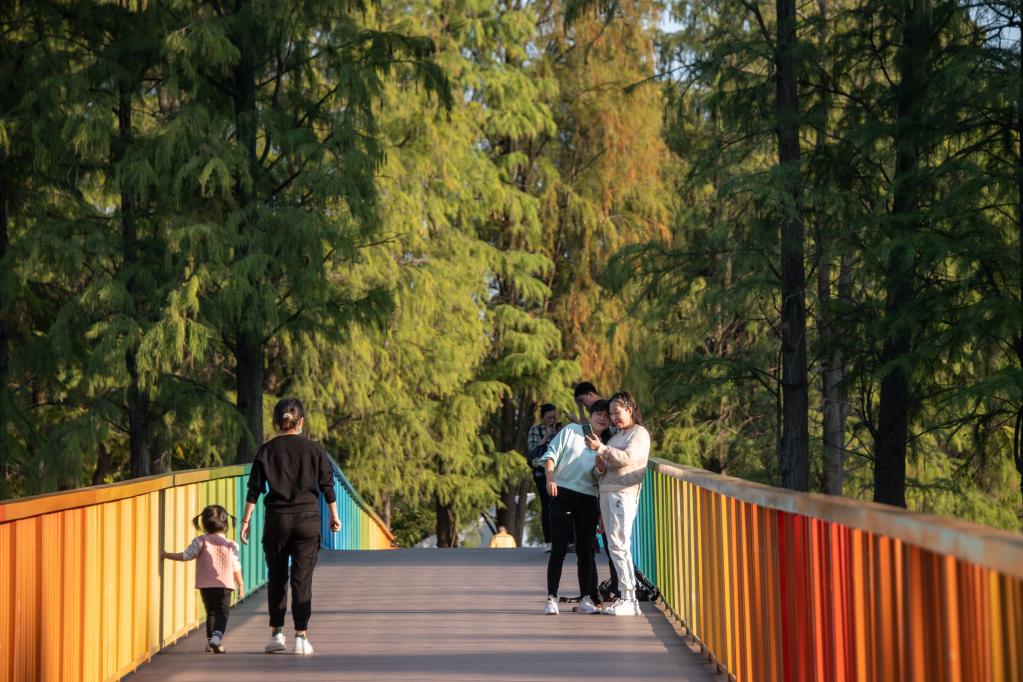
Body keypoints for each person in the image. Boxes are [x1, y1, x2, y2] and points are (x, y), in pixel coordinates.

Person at [241, 397, 343, 655]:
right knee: (302, 579)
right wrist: (334, 515)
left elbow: (254, 489)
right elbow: (327, 485)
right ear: (301, 422)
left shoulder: (266, 450)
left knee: (277, 578)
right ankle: (301, 636)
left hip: (277, 521)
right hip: (307, 520)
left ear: (277, 422)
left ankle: (277, 634)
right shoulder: (315, 450)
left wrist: (245, 521)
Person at [536, 399, 612, 616]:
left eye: (606, 416)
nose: (602, 418)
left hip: (588, 498)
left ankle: (587, 598)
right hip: (562, 493)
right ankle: (551, 598)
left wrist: (600, 469)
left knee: (585, 551)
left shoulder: (606, 446)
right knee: (559, 549)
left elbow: (600, 479)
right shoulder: (571, 430)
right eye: (598, 413)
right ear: (590, 415)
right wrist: (550, 479)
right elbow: (550, 455)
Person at [586, 391, 650, 616]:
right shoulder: (615, 437)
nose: (613, 417)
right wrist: (600, 467)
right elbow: (601, 472)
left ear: (629, 410)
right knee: (614, 545)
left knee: (620, 544)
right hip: (607, 493)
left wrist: (602, 449)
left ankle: (629, 598)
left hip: (624, 494)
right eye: (611, 413)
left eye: (616, 412)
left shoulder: (639, 434)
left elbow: (628, 458)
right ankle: (626, 597)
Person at [161, 504, 245, 654]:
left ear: (203, 523)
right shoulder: (231, 545)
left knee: (211, 612)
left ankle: (210, 642)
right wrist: (241, 585)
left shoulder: (200, 541)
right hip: (224, 585)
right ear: (225, 523)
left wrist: (167, 555)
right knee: (222, 613)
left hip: (205, 585)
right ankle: (216, 639)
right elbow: (236, 567)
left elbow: (186, 556)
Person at [526, 403, 563, 548]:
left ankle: (565, 540)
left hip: (559, 473)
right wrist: (546, 436)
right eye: (549, 418)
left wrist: (556, 434)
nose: (552, 420)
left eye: (554, 417)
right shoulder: (535, 430)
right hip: (541, 473)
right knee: (547, 505)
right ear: (543, 418)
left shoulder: (561, 429)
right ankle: (549, 541)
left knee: (561, 505)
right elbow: (532, 451)